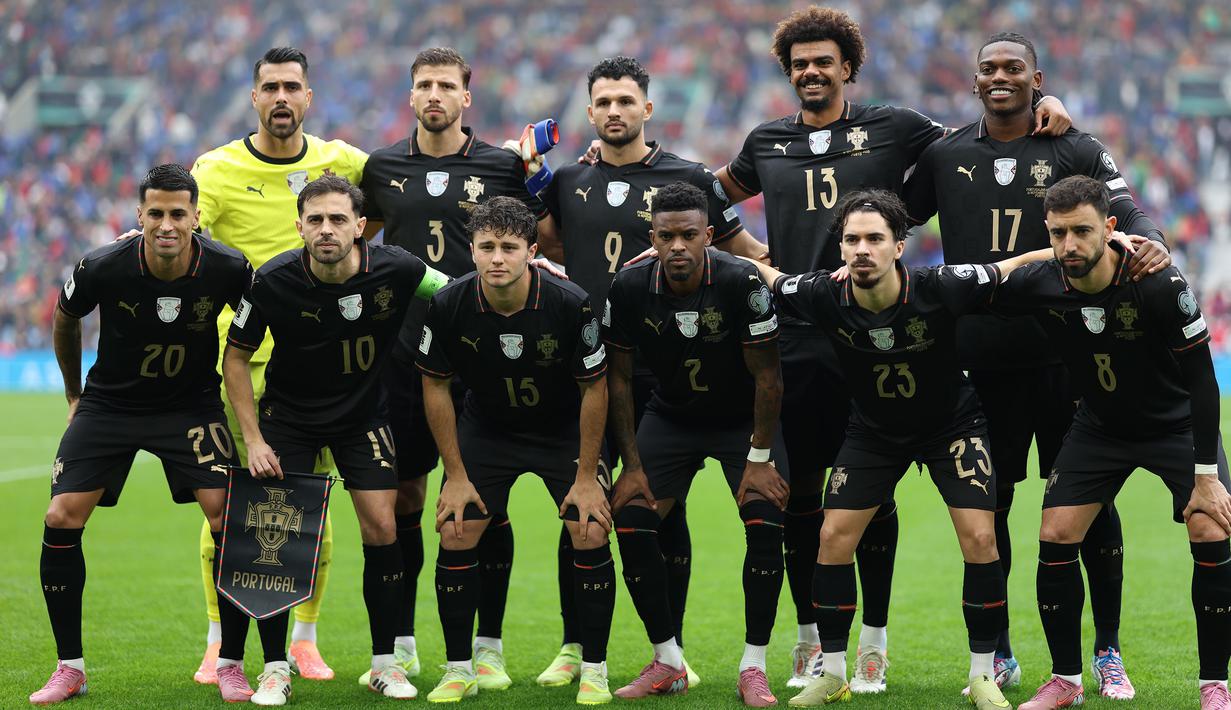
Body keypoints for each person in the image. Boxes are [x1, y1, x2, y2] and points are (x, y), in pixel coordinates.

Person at [711, 7, 1074, 690]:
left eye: (824, 61)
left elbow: (976, 139)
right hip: (803, 334)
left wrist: (1044, 106)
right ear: (787, 72)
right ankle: (812, 642)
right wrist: (754, 251)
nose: (811, 72)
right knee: (805, 501)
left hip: (877, 340)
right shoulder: (765, 140)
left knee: (873, 496)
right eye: (799, 64)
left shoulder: (895, 126)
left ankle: (873, 643)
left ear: (847, 67)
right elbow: (706, 196)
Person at [902, 32, 1171, 694]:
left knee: (1088, 510)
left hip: (1066, 364)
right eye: (988, 68)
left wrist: (1152, 244)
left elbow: (1126, 209)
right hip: (979, 366)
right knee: (988, 511)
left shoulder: (1072, 146)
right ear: (973, 81)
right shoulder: (945, 154)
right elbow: (892, 218)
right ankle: (997, 651)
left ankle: (1106, 650)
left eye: (1013, 68)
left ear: (1036, 79)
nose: (1000, 76)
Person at [745, 189, 1051, 709]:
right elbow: (767, 275)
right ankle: (833, 673)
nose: (862, 249)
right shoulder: (823, 293)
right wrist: (700, 251)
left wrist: (1100, 242)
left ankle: (983, 675)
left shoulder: (941, 286)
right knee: (832, 537)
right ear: (841, 247)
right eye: (852, 240)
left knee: (981, 537)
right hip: (874, 433)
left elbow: (1013, 265)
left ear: (899, 246)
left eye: (874, 239)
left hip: (951, 427)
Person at [533, 55, 760, 686]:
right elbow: (548, 245)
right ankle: (576, 645)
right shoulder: (569, 179)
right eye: (604, 102)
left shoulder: (688, 178)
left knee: (664, 509)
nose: (615, 111)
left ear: (648, 108)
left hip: (663, 369)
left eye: (626, 101)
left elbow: (743, 252)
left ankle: (671, 651)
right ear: (589, 112)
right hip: (585, 368)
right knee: (581, 505)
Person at [984, 176, 1231, 710]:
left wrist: (1206, 477)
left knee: (1211, 528)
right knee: (1055, 532)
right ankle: (1066, 680)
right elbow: (971, 288)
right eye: (1058, 234)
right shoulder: (1044, 281)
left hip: (1175, 426)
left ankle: (1215, 684)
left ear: (1111, 228)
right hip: (1100, 428)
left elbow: (1202, 380)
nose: (1069, 245)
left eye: (1082, 231)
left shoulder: (1158, 281)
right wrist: (1019, 262)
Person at [358, 46, 553, 690]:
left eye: (447, 85)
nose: (435, 95)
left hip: (485, 356)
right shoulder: (382, 167)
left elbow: (544, 238)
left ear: (466, 97)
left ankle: (488, 648)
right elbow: (359, 236)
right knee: (408, 498)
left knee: (486, 502)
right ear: (411, 95)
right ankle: (404, 644)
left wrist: (540, 178)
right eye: (425, 85)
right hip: (405, 354)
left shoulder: (501, 165)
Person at [29, 165, 251, 704]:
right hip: (111, 405)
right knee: (61, 516)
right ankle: (69, 667)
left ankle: (231, 664)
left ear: (196, 217)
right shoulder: (103, 265)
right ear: (139, 215)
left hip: (190, 406)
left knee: (229, 517)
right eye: (156, 213)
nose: (166, 224)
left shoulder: (228, 267)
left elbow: (258, 320)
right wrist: (75, 395)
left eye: (178, 213)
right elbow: (65, 316)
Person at [222, 174, 448, 704]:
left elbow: (457, 289)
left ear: (360, 226)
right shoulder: (272, 280)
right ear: (299, 226)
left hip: (363, 417)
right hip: (289, 420)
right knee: (275, 538)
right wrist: (254, 440)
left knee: (384, 527)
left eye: (338, 219)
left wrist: (526, 271)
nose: (327, 229)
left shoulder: (398, 268)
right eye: (316, 219)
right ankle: (274, 668)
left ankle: (385, 665)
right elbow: (235, 358)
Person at [188, 46, 369, 683]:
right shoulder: (215, 170)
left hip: (319, 366)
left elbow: (401, 188)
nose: (282, 98)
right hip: (237, 363)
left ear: (308, 97)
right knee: (231, 506)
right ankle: (219, 639)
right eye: (271, 88)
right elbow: (185, 238)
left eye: (293, 87)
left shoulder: (343, 161)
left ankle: (304, 638)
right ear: (254, 97)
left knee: (311, 505)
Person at [416, 196, 614, 704]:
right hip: (489, 429)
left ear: (532, 251)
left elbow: (595, 387)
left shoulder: (570, 302)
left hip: (561, 430)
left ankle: (594, 668)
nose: (497, 258)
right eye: (487, 247)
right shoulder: (449, 303)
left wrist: (587, 477)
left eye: (509, 247)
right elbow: (435, 385)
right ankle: (460, 668)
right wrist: (455, 475)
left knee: (589, 529)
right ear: (472, 250)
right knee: (456, 529)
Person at [602, 182, 787, 707]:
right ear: (653, 238)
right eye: (667, 236)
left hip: (741, 421)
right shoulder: (628, 286)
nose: (678, 245)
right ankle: (668, 660)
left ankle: (754, 667)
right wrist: (631, 465)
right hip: (672, 416)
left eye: (688, 234)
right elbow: (618, 379)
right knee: (632, 518)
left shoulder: (740, 281)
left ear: (709, 235)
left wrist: (758, 458)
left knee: (765, 519)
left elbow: (769, 377)